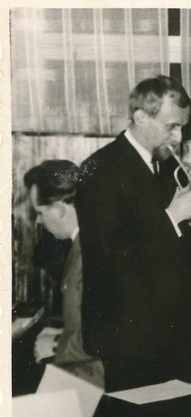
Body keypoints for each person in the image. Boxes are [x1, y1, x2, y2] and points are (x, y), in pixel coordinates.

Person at [76, 75, 191, 392]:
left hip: (178, 335)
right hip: (131, 338)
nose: (179, 137)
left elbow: (182, 257)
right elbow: (113, 257)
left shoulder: (166, 169)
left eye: (182, 126)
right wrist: (173, 217)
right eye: (171, 126)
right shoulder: (100, 169)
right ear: (141, 117)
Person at [22, 160, 104, 388]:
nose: (38, 220)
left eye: (40, 212)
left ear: (59, 209)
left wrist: (57, 344)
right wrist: (62, 333)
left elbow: (111, 333)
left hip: (92, 382)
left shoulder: (88, 252)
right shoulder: (89, 241)